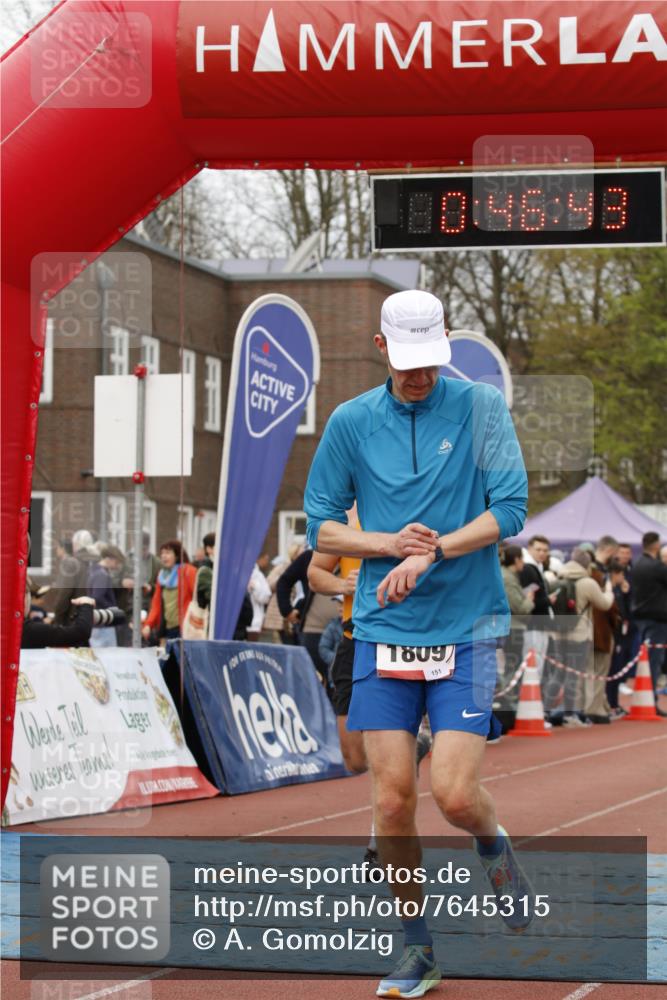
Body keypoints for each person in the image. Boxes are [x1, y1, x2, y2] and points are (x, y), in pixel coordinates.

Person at [304, 288, 529, 998]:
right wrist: (384, 544)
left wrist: (432, 554)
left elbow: (511, 509)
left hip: (465, 626)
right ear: (380, 349)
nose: (418, 376)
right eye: (405, 364)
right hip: (381, 631)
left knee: (455, 795)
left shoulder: (480, 408)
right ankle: (416, 949)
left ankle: (494, 849)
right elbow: (321, 527)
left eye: (429, 362)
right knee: (393, 801)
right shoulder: (349, 422)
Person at [554, 548, 615, 726]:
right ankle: (570, 714)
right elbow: (604, 604)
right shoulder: (587, 582)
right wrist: (609, 591)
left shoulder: (558, 576)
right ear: (587, 564)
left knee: (557, 673)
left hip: (558, 632)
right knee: (575, 674)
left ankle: (547, 710)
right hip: (579, 634)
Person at [631, 531, 667, 715]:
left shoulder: (636, 564)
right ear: (656, 545)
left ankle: (646, 697)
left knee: (645, 659)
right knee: (653, 660)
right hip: (657, 618)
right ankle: (649, 699)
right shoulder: (656, 567)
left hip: (640, 617)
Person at [142, 540, 197, 643]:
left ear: (176, 555)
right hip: (168, 628)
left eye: (167, 553)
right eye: (162, 553)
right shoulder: (162, 575)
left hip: (186, 628)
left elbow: (197, 599)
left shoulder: (188, 571)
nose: (163, 556)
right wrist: (148, 624)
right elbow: (156, 604)